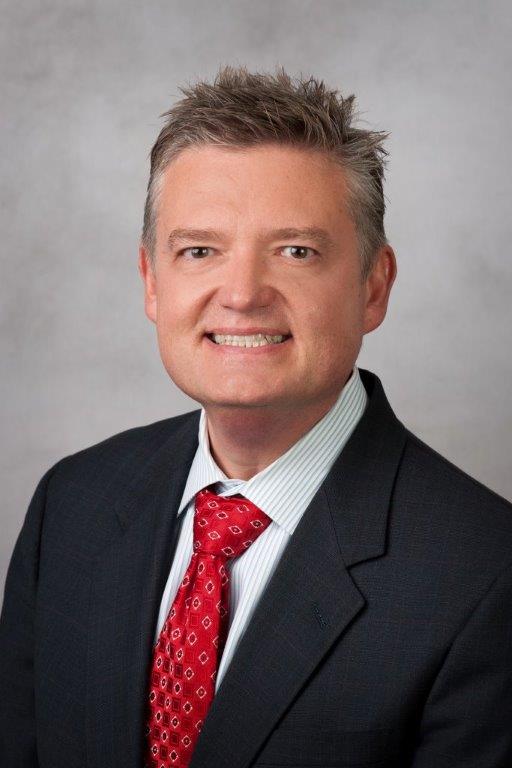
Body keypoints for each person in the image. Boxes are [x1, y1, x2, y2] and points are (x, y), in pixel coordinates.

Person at [1, 65, 511, 768]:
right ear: (153, 280)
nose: (240, 294)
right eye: (200, 251)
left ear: (373, 286)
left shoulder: (486, 575)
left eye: (295, 252)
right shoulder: (73, 505)